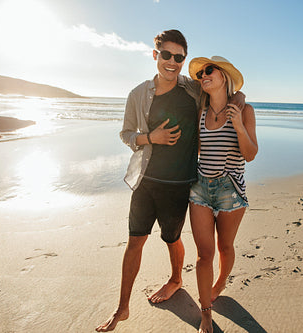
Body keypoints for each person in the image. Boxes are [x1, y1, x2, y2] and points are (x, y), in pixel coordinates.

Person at [95, 31, 244, 332]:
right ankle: (122, 308)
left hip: (180, 184)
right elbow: (125, 134)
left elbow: (227, 93)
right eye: (167, 55)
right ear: (155, 55)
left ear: (183, 60)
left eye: (179, 57)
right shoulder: (138, 94)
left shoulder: (192, 90)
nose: (172, 62)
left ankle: (176, 279)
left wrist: (239, 99)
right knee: (134, 240)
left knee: (171, 238)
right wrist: (152, 138)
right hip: (146, 179)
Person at [188, 56, 258, 333]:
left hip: (231, 189)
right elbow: (194, 150)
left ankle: (221, 282)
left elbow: (250, 155)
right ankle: (205, 313)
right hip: (200, 188)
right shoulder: (200, 112)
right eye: (200, 74)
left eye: (209, 70)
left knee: (225, 247)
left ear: (224, 76)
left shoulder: (246, 109)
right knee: (204, 254)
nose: (203, 75)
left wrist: (238, 123)